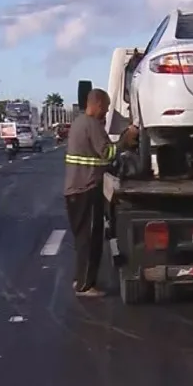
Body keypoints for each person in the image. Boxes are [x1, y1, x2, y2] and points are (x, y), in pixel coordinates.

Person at [63, 88, 139, 297]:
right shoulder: (92, 125)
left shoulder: (79, 123)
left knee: (82, 239)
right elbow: (107, 153)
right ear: (95, 104)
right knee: (90, 240)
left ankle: (81, 279)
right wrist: (125, 140)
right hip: (87, 190)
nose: (105, 113)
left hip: (75, 191)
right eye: (104, 109)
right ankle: (86, 286)